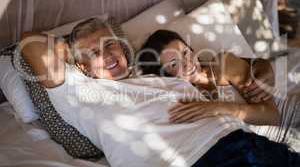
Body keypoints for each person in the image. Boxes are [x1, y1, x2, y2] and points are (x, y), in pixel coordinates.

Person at [20, 19, 299, 167]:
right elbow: (29, 41)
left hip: (249, 142)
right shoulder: (78, 90)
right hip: (195, 159)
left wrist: (261, 69)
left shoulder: (159, 78)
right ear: (81, 65)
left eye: (111, 45)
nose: (107, 55)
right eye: (95, 52)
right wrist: (74, 52)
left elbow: (227, 76)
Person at [138, 29, 280, 125]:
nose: (187, 64)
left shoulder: (223, 64)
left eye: (185, 52)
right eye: (174, 64)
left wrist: (219, 107)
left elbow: (273, 116)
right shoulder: (183, 100)